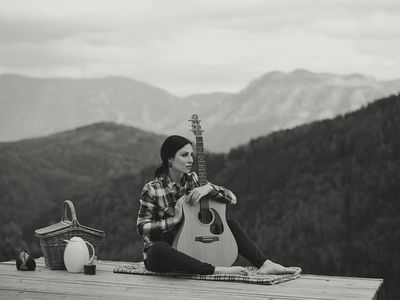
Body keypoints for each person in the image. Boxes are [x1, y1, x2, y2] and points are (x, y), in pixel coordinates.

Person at [136, 135, 295, 275]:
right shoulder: (152, 189)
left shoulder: (194, 180)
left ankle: (265, 264)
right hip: (168, 255)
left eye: (192, 155)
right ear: (169, 159)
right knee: (157, 249)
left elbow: (232, 199)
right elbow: (141, 227)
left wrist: (210, 188)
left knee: (230, 223)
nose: (191, 160)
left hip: (193, 247)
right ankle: (215, 270)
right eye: (184, 155)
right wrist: (174, 220)